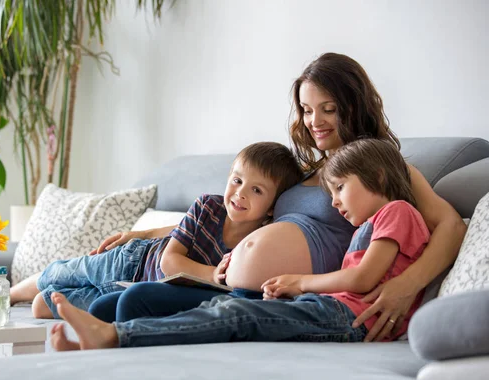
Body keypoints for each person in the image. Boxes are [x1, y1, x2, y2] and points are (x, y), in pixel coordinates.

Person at [84, 52, 466, 341]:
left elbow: (450, 225)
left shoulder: (384, 172)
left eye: (328, 109)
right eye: (306, 109)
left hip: (286, 298)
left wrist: (407, 284)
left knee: (130, 306)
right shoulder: (305, 171)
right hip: (238, 284)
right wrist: (141, 234)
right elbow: (233, 218)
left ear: (355, 105)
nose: (314, 121)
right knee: (115, 304)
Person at [48, 138, 433, 350]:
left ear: (379, 176)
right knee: (221, 307)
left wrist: (298, 281)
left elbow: (363, 279)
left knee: (234, 316)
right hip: (318, 303)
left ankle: (113, 336)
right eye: (330, 190)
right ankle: (84, 333)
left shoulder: (397, 210)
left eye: (340, 190)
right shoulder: (367, 215)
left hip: (342, 317)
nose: (333, 201)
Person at [10, 142, 303, 318]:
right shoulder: (208, 207)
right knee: (63, 273)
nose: (240, 194)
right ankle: (9, 294)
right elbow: (169, 261)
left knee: (41, 306)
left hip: (138, 291)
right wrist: (212, 275)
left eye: (256, 190)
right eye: (236, 181)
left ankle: (32, 296)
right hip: (133, 261)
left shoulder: (257, 246)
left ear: (271, 208)